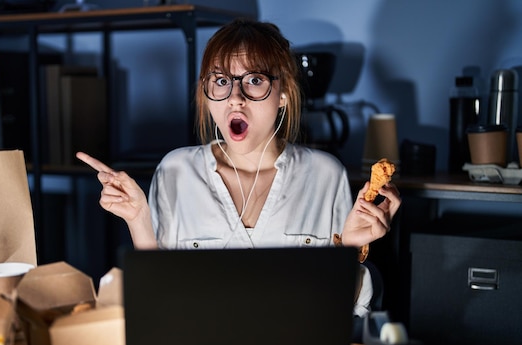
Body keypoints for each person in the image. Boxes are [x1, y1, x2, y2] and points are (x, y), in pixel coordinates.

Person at [76, 18, 401, 322]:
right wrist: (138, 219)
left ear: (284, 92)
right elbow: (160, 298)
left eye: (255, 80)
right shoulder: (176, 171)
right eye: (221, 81)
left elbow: (340, 311)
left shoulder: (325, 175)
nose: (235, 98)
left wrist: (351, 249)